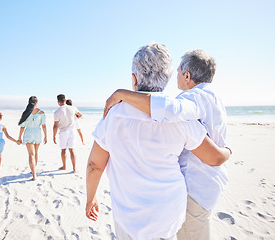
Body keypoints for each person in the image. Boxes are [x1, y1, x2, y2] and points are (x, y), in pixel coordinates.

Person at [85, 43, 231, 240]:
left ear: (134, 78)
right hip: (167, 216)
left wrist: (91, 197)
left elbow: (95, 165)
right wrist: (228, 151)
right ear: (167, 78)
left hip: (126, 215)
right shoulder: (182, 120)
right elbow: (212, 156)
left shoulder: (113, 115)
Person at [17, 96, 47, 181]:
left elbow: (22, 127)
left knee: (31, 155)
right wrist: (46, 136)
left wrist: (19, 137)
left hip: (28, 133)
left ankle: (33, 174)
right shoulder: (42, 113)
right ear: (37, 103)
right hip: (37, 133)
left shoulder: (26, 112)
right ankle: (34, 171)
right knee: (36, 153)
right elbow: (44, 126)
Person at [53, 94, 82, 173]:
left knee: (63, 150)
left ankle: (64, 166)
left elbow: (55, 126)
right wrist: (74, 118)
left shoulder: (57, 112)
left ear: (58, 102)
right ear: (65, 100)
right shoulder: (73, 108)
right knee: (72, 150)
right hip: (72, 131)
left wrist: (54, 136)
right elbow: (80, 115)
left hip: (63, 132)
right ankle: (74, 168)